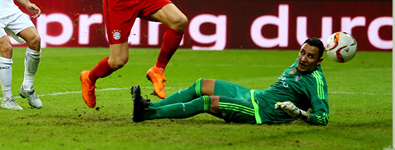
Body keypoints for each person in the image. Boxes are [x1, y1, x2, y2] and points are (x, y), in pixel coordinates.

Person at [131, 38, 328, 125]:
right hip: (254, 95)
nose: (303, 58)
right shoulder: (301, 63)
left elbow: (323, 117)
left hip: (261, 112)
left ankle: (148, 115)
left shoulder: (315, 81)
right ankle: (149, 105)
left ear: (319, 61)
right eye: (302, 52)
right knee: (202, 84)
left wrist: (301, 114)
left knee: (205, 102)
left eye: (310, 57)